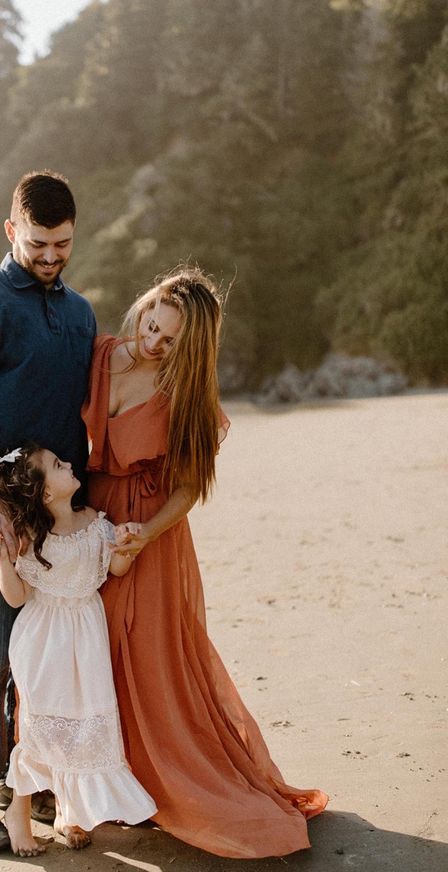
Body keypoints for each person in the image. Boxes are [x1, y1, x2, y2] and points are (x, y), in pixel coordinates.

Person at [81, 266, 328, 859]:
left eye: (169, 341)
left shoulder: (184, 395)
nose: (153, 343)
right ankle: (97, 783)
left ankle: (165, 784)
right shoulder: (97, 354)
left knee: (147, 659)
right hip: (85, 525)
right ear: (143, 307)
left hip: (148, 534)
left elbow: (189, 489)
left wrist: (142, 536)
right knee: (85, 649)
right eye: (150, 325)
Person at [0, 171, 96, 853]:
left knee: (42, 658)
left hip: (60, 515)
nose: (51, 255)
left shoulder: (82, 312)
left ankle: (18, 778)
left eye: (62, 243)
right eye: (38, 242)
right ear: (11, 231)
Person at [0, 443, 156, 857]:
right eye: (58, 466)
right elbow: (16, 597)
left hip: (86, 639)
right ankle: (18, 813)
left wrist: (124, 545)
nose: (70, 465)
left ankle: (70, 810)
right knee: (40, 727)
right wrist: (2, 558)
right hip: (42, 641)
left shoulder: (95, 523)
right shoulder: (31, 536)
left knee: (81, 726)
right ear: (45, 493)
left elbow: (115, 569)